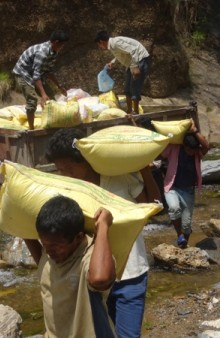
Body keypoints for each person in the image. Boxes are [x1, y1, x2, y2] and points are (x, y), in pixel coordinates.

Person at [45, 128, 161, 338]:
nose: (65, 175)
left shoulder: (118, 178)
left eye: (69, 168)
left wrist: (145, 170)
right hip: (92, 276)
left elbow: (150, 205)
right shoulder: (70, 191)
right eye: (60, 170)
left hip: (130, 273)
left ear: (86, 160)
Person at [23, 195, 116, 338]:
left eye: (55, 246)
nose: (48, 251)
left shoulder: (89, 257)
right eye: (44, 244)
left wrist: (103, 226)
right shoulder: (50, 253)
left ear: (78, 238)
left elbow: (100, 279)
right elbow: (43, 260)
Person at [159, 120, 209, 248]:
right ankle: (179, 236)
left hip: (188, 190)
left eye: (193, 150)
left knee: (186, 225)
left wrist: (195, 131)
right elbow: (160, 150)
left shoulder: (197, 153)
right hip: (172, 187)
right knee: (174, 208)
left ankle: (183, 244)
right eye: (189, 150)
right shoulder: (175, 148)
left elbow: (206, 147)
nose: (191, 153)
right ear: (184, 146)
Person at [12, 30, 69, 130]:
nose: (62, 47)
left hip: (35, 73)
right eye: (62, 45)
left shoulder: (54, 52)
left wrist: (59, 87)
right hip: (23, 73)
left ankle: (51, 124)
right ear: (55, 42)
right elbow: (36, 74)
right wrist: (43, 94)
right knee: (32, 100)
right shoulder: (42, 52)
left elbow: (49, 71)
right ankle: (31, 129)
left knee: (51, 97)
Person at [94, 31, 150, 115]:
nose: (100, 47)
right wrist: (112, 62)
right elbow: (120, 54)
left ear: (101, 42)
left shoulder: (116, 43)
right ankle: (129, 111)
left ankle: (135, 113)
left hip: (140, 60)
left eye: (99, 45)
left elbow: (133, 50)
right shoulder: (112, 45)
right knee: (127, 89)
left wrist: (135, 67)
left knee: (135, 87)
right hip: (132, 63)